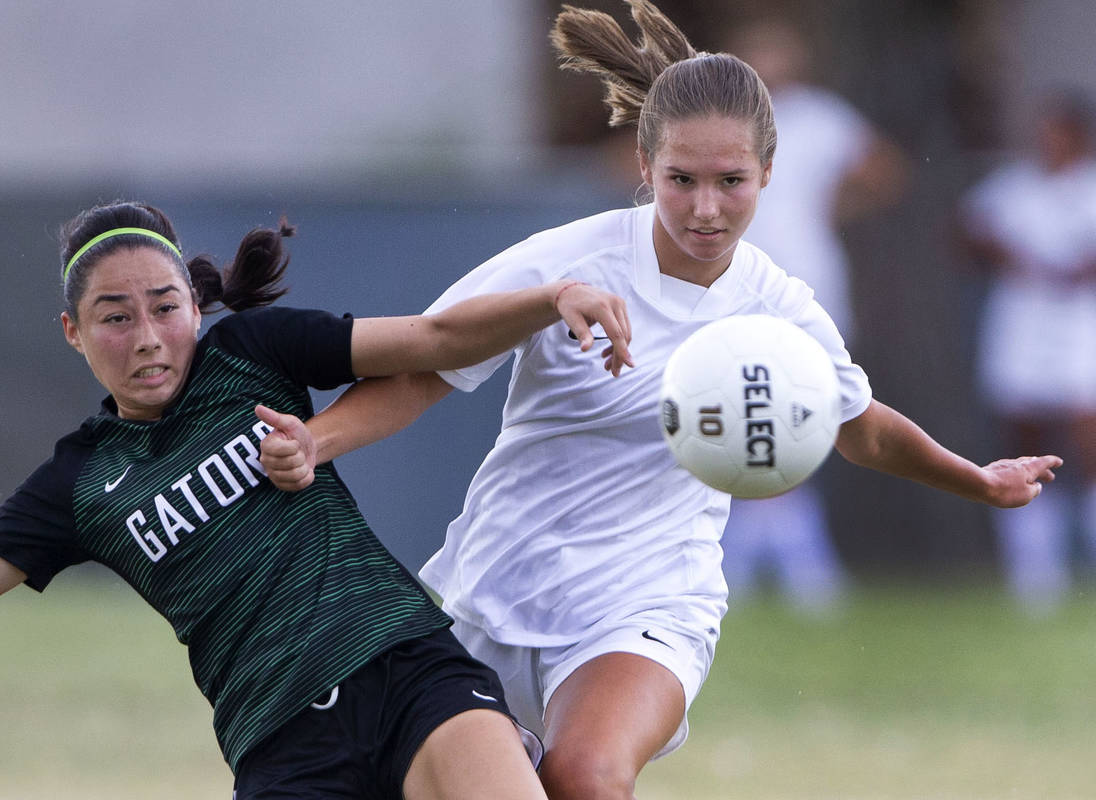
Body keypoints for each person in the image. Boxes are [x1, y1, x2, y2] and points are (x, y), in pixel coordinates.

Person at [260, 3, 1061, 797]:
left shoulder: (778, 306)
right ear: (644, 164)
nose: (706, 209)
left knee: (586, 774)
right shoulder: (568, 261)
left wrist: (978, 479)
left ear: (768, 174)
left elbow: (862, 430)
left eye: (731, 181)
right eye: (682, 180)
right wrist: (318, 442)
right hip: (498, 589)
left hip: (649, 599)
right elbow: (428, 366)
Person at [0, 200, 635, 800]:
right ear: (73, 333)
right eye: (116, 318)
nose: (148, 338)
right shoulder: (80, 481)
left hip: (406, 666)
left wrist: (552, 298)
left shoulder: (251, 353)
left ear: (194, 301)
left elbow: (436, 339)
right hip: (282, 742)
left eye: (164, 307)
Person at [718, 18, 908, 613]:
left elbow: (884, 171)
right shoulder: (722, 120)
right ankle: (776, 568)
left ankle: (786, 567)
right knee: (737, 415)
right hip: (728, 285)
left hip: (806, 284)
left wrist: (833, 207)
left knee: (798, 415)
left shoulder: (822, 118)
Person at [958, 89, 1096, 614]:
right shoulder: (1012, 188)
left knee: (1087, 442)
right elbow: (968, 231)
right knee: (1025, 437)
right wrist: (1003, 252)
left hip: (1082, 326)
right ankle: (1036, 572)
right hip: (1021, 324)